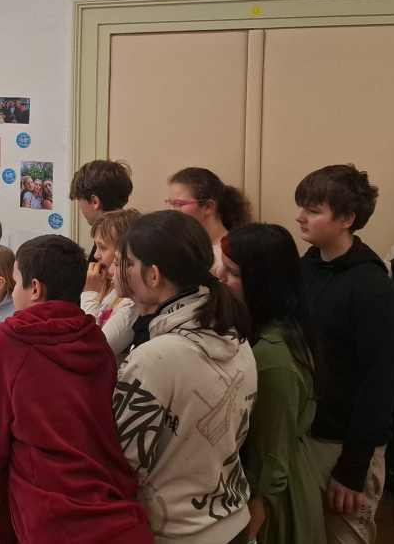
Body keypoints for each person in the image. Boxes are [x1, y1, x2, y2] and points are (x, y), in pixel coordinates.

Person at [0, 235, 153, 544]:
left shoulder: (5, 342)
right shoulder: (96, 338)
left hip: (50, 516)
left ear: (35, 289)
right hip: (114, 507)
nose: (13, 292)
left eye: (16, 283)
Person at [113, 210, 257, 544]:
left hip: (179, 531)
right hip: (233, 520)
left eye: (129, 263)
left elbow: (122, 463)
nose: (123, 271)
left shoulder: (155, 357)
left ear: (153, 275)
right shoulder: (236, 335)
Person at [295, 165, 394, 544]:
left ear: (346, 219)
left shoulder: (373, 288)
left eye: (313, 210)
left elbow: (380, 383)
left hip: (344, 447)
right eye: (301, 207)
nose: (300, 217)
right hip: (308, 437)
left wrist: (353, 467)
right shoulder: (306, 269)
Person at [217, 224, 327, 544]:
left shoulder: (272, 357)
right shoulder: (266, 331)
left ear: (263, 284)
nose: (220, 277)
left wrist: (250, 529)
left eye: (233, 273)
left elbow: (270, 458)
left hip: (274, 500)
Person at [80, 208, 142, 361]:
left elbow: (92, 352)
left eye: (103, 247)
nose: (96, 255)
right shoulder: (108, 285)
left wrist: (90, 294)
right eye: (96, 246)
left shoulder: (131, 302)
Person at [167, 167, 253, 275]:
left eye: (179, 204)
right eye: (171, 203)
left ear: (208, 207)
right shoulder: (183, 246)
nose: (172, 210)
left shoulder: (232, 253)